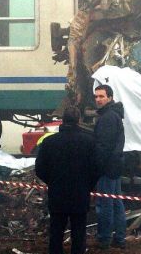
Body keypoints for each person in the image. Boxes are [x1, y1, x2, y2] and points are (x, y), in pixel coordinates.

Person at [35, 106, 97, 254]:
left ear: (63, 120)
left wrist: (52, 182)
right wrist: (88, 185)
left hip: (57, 193)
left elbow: (40, 168)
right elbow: (96, 169)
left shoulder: (49, 142)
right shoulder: (89, 142)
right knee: (79, 233)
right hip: (80, 194)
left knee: (56, 232)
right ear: (79, 120)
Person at [93, 84, 127, 250]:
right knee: (116, 204)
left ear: (110, 97)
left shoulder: (107, 118)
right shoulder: (115, 115)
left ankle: (104, 239)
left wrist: (96, 167)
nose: (98, 99)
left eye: (101, 96)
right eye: (96, 96)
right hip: (115, 167)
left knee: (104, 205)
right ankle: (120, 238)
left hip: (107, 168)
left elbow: (103, 147)